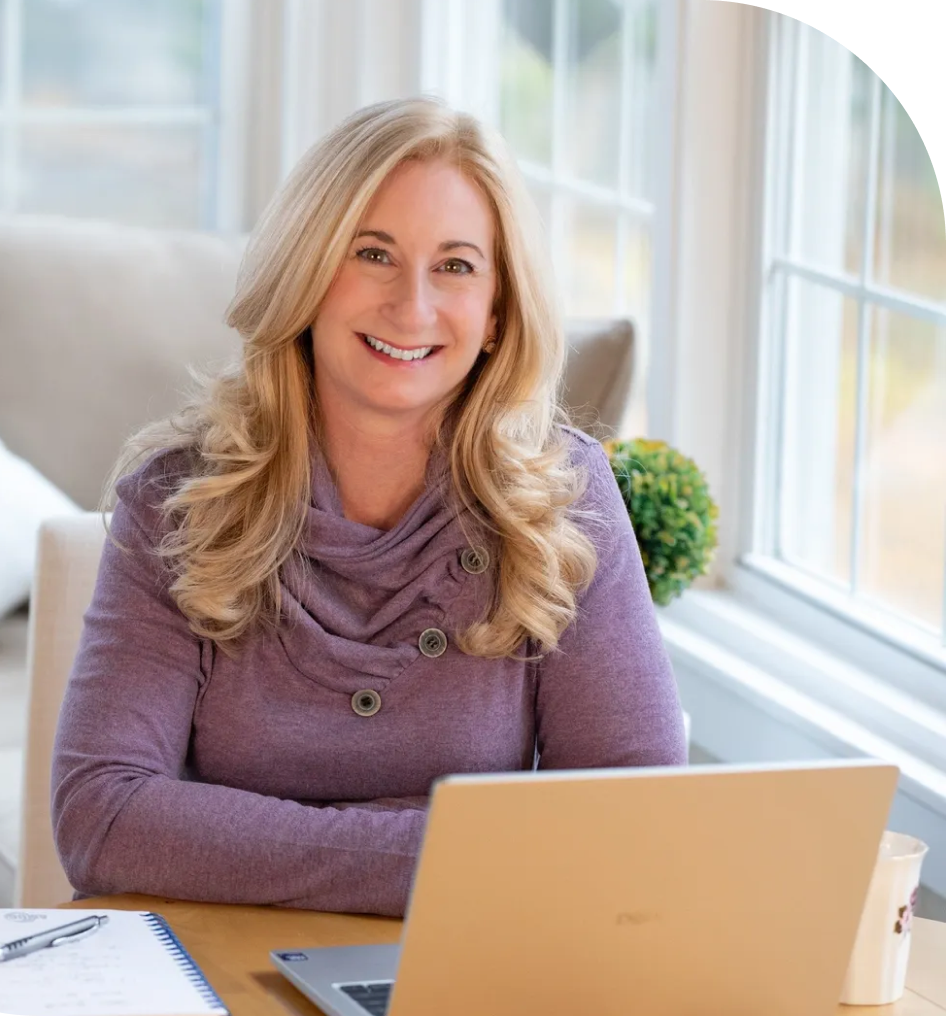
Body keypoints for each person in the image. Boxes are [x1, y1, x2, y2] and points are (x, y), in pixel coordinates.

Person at [50, 96, 687, 919]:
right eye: (374, 254)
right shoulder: (178, 502)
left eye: (456, 266)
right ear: (309, 274)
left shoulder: (567, 501)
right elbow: (102, 818)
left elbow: (631, 821)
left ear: (496, 314)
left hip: (469, 979)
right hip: (209, 974)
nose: (411, 306)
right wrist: (457, 858)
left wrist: (241, 843)